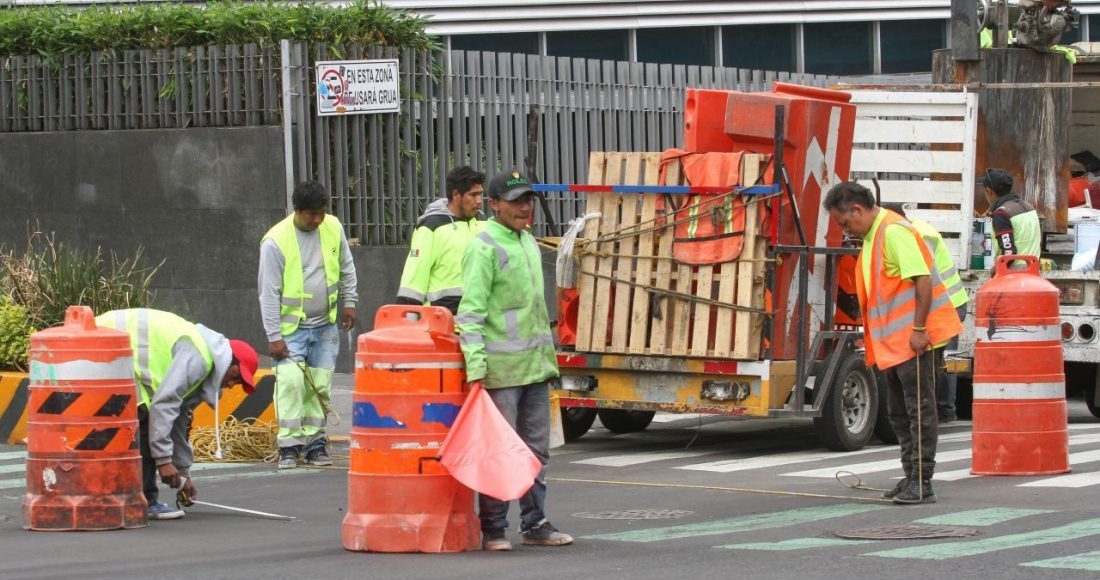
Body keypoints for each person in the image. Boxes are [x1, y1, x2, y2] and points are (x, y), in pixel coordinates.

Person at [456, 169, 573, 550]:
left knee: (536, 450)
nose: (525, 208)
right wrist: (475, 367)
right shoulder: (484, 246)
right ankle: (493, 529)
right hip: (500, 372)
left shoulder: (526, 242)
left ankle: (535, 522)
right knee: (498, 449)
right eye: (516, 201)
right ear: (494, 206)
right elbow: (470, 314)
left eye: (529, 201)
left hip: (535, 367)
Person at [824, 183, 962, 505]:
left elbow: (923, 279)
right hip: (895, 345)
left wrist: (918, 328)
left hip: (914, 341)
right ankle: (911, 475)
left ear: (856, 210)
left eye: (844, 223)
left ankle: (923, 481)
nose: (846, 230)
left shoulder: (894, 232)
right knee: (900, 412)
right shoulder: (874, 235)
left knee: (919, 410)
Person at [95, 308, 259, 520]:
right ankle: (146, 501)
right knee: (145, 421)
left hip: (108, 344)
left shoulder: (203, 363)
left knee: (145, 420)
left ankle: (125, 496)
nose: (231, 385)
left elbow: (178, 420)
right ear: (231, 365)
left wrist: (183, 474)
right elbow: (163, 405)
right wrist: (164, 462)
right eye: (236, 379)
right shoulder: (198, 359)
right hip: (104, 341)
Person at [259, 181, 358, 469]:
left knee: (321, 386)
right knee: (290, 384)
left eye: (321, 213)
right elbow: (268, 293)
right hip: (291, 331)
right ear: (296, 210)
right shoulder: (275, 241)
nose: (317, 220)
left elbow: (346, 266)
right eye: (311, 214)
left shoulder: (332, 227)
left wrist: (350, 302)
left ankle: (315, 444)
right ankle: (289, 445)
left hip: (325, 327)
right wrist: (274, 336)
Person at [882, 203, 969, 423]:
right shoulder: (914, 228)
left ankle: (943, 411)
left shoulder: (912, 234)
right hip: (946, 301)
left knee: (936, 359)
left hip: (945, 304)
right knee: (939, 359)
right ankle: (943, 410)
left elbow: (922, 274)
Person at [397, 166, 486, 314]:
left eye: (481, 194)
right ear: (456, 194)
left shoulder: (482, 225)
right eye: (473, 195)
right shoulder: (430, 227)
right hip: (440, 326)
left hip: (477, 326)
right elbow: (412, 283)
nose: (479, 201)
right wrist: (409, 325)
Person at [981, 168, 1041, 260]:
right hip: (1033, 270)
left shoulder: (1002, 214)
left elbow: (1008, 254)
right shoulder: (1028, 207)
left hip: (1012, 273)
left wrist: (993, 270)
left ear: (989, 191)